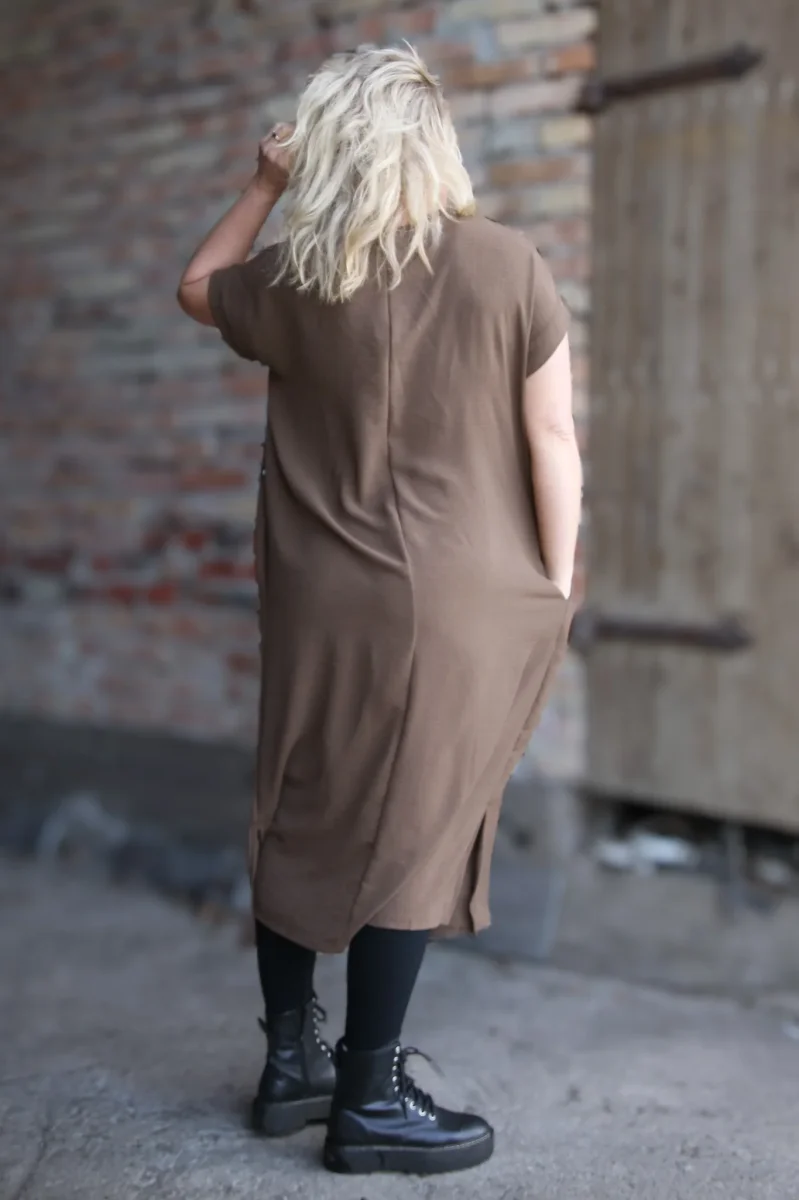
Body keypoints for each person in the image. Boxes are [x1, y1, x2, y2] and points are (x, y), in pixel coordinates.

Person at [178, 43, 581, 1178]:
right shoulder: (506, 264)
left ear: (330, 149)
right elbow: (552, 439)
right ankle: (370, 1097)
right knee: (417, 826)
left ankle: (290, 1065)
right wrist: (556, 582)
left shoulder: (296, 278)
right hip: (462, 598)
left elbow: (196, 284)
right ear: (431, 145)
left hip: (321, 600)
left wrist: (263, 185)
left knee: (301, 801)